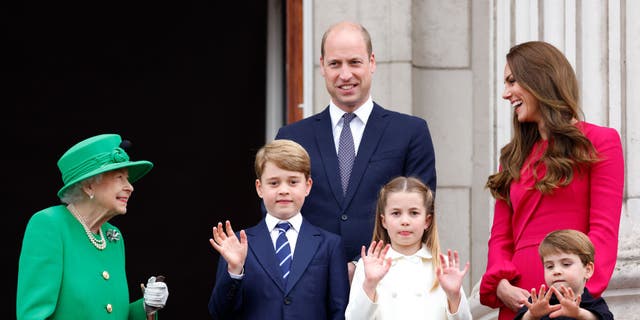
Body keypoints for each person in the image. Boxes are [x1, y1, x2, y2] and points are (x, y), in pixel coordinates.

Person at [275, 20, 437, 281]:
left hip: (389, 284)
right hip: (310, 285)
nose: (345, 74)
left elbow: (420, 211)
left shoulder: (410, 132)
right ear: (322, 67)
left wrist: (362, 269)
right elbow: (277, 213)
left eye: (354, 62)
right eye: (335, 64)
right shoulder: (292, 137)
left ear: (372, 63)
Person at [479, 40, 624, 320]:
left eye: (512, 81)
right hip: (521, 302)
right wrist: (500, 286)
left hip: (570, 299)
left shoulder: (600, 142)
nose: (505, 93)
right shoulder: (512, 158)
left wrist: (578, 295)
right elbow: (499, 237)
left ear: (540, 79)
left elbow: (604, 232)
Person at [17, 133, 169, 319]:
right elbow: (33, 315)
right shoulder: (49, 224)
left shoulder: (113, 236)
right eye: (119, 177)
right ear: (89, 186)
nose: (130, 187)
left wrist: (146, 308)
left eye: (127, 179)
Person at [208, 139, 350, 320]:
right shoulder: (238, 244)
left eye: (293, 182)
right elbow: (219, 313)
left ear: (307, 186)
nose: (283, 190)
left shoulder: (330, 244)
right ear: (259, 188)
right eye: (274, 183)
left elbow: (339, 311)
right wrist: (235, 270)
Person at [345, 176, 471, 319]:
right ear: (384, 221)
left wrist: (454, 296)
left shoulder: (444, 266)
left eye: (414, 213)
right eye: (396, 213)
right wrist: (370, 285)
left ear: (427, 221)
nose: (405, 221)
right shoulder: (369, 265)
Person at [515, 229, 613, 320]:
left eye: (566, 264)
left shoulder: (594, 304)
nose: (556, 271)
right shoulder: (538, 303)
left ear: (588, 270)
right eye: (549, 266)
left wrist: (580, 314)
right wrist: (531, 315)